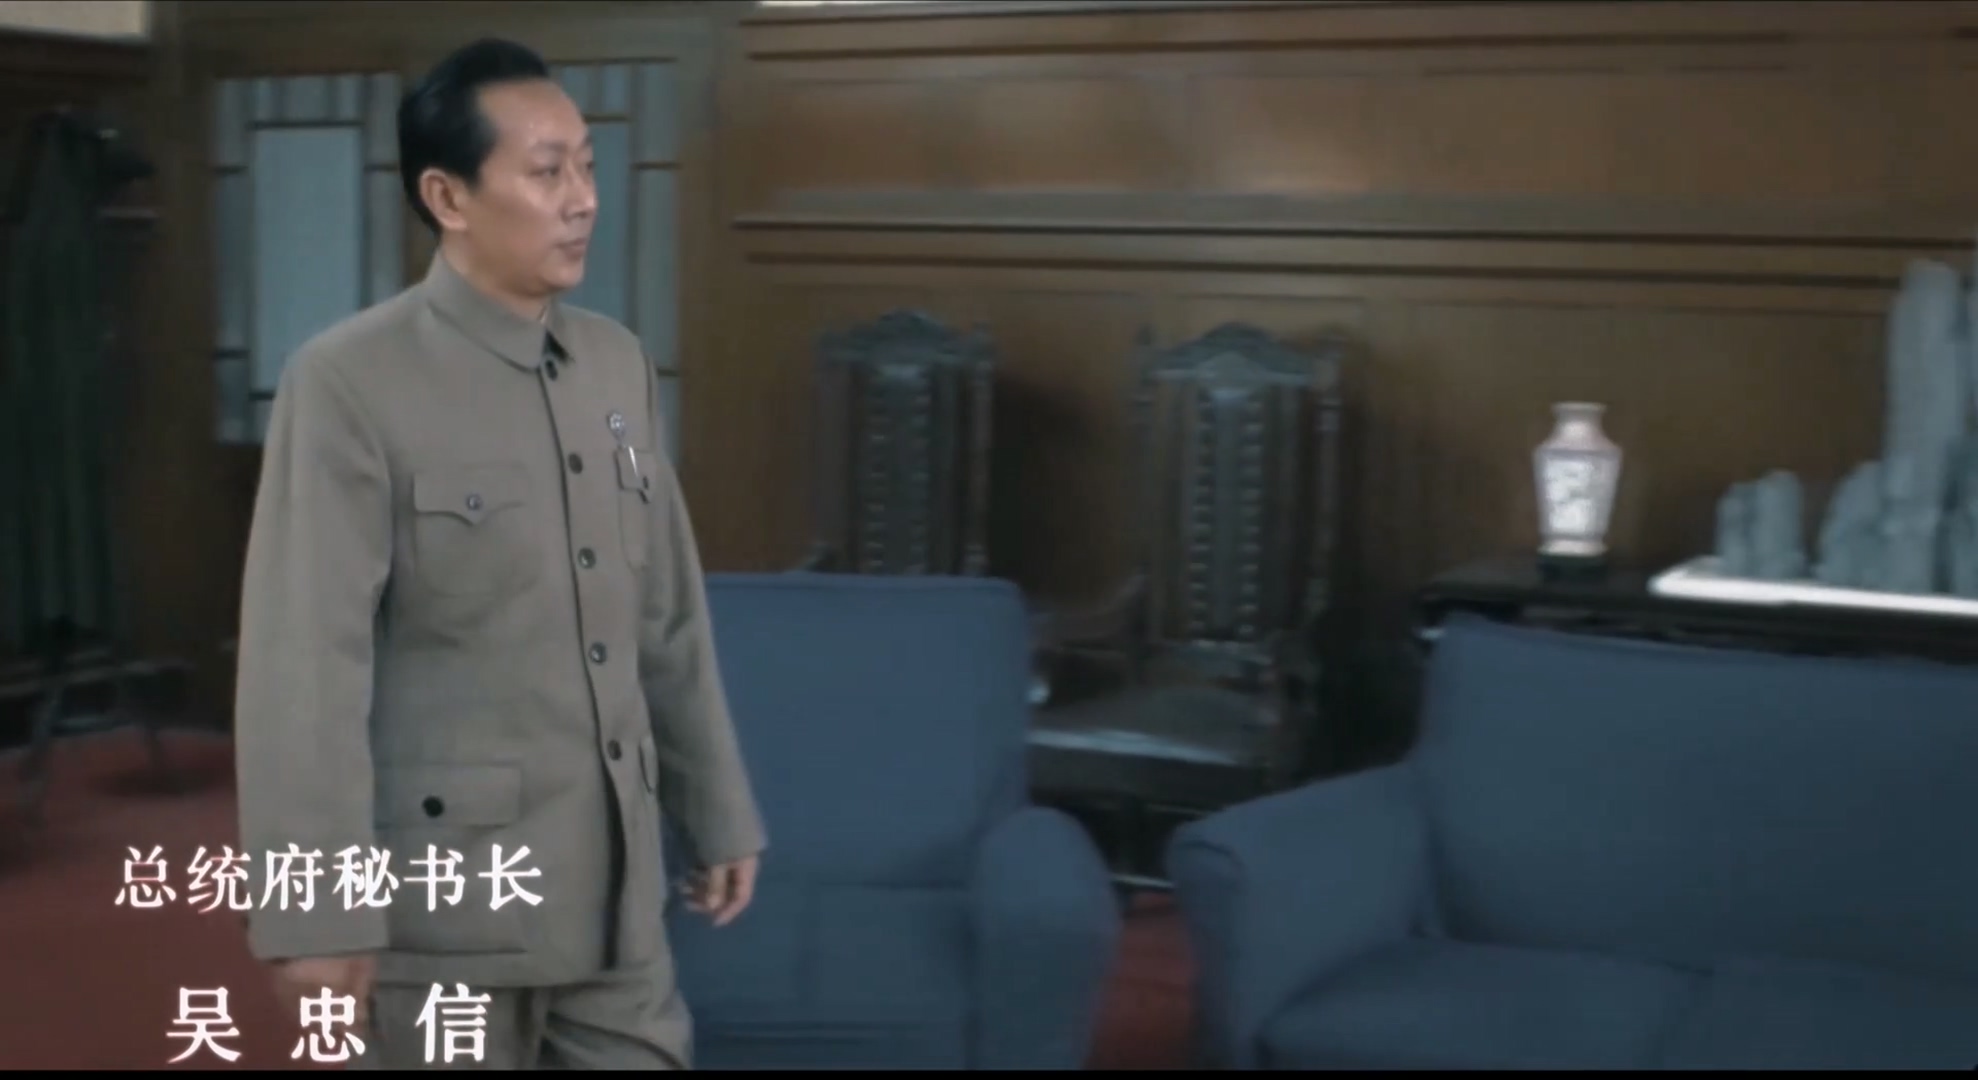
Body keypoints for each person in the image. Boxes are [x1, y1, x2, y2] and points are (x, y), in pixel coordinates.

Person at [232, 37, 766, 1070]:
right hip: (446, 912)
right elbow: (304, 667)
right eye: (546, 171)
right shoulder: (349, 382)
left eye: (587, 167)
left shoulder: (615, 364)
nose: (582, 200)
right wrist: (314, 912)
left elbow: (665, 616)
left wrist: (717, 809)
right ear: (449, 196)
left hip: (616, 901)